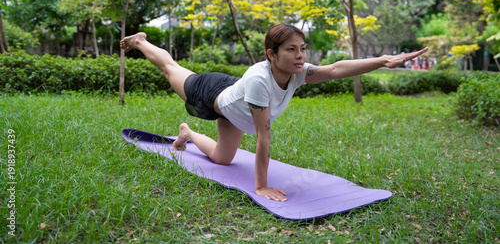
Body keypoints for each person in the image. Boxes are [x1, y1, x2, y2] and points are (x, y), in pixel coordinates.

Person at [120, 24, 428, 202]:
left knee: (222, 159)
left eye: (302, 48)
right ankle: (141, 42)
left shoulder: (296, 71)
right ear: (272, 55)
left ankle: (187, 133)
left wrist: (384, 60)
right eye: (291, 50)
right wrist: (260, 186)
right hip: (211, 92)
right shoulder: (259, 81)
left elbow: (335, 69)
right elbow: (263, 138)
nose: (300, 56)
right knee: (169, 67)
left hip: (234, 104)